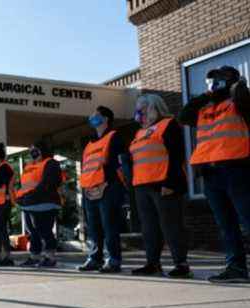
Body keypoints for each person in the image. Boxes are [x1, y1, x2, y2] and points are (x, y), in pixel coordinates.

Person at [178, 65, 250, 283]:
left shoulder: (237, 102)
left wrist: (240, 89)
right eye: (210, 82)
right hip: (211, 173)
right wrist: (207, 94)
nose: (212, 85)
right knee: (226, 224)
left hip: (237, 169)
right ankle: (236, 268)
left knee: (248, 219)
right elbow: (183, 115)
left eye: (218, 80)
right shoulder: (204, 110)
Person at [130, 94, 192, 278]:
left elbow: (176, 155)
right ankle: (152, 263)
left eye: (141, 107)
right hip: (142, 185)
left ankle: (181, 264)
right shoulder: (139, 132)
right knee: (149, 228)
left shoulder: (168, 124)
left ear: (153, 107)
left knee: (171, 226)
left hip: (163, 183)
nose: (138, 111)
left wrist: (171, 183)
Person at [77, 106, 126, 274]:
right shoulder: (89, 143)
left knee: (109, 225)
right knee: (94, 227)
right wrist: (86, 188)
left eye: (96, 115)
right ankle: (95, 258)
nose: (92, 117)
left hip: (108, 188)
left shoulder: (115, 137)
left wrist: (105, 184)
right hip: (90, 190)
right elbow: (86, 168)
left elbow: (117, 165)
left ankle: (113, 260)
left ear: (106, 119)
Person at [15, 140, 63, 267]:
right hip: (29, 203)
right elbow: (24, 185)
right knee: (32, 231)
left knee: (45, 230)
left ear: (42, 150)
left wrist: (32, 195)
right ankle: (34, 256)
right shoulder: (28, 166)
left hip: (45, 202)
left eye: (35, 149)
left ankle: (50, 257)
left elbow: (49, 183)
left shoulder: (51, 163)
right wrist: (21, 197)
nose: (32, 152)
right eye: (31, 149)